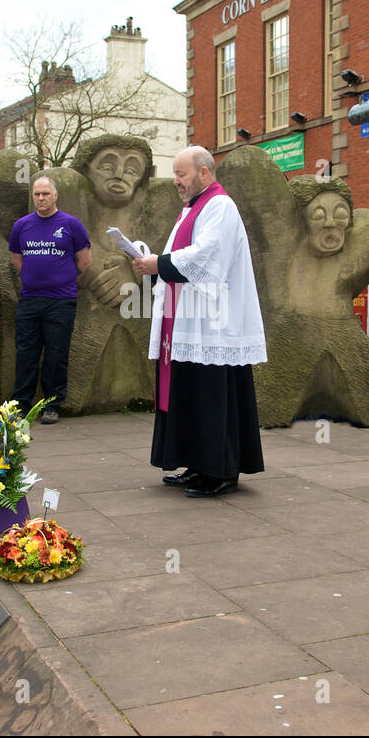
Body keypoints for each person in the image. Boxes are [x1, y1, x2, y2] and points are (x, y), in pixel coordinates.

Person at [131, 146, 266, 497]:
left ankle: (220, 471)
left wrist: (158, 264)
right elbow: (182, 259)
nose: (176, 181)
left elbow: (207, 258)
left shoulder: (220, 206)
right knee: (191, 394)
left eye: (182, 174)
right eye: (175, 174)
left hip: (213, 327)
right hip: (189, 322)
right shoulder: (191, 209)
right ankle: (197, 464)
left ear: (204, 172)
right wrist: (152, 264)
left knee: (211, 396)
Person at [9, 176, 91, 425]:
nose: (41, 198)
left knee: (57, 354)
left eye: (45, 193)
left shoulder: (71, 224)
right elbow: (17, 259)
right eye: (37, 194)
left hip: (61, 301)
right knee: (26, 353)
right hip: (30, 300)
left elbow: (85, 261)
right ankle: (21, 405)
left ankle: (52, 405)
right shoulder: (21, 226)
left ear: (55, 195)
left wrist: (62, 280)